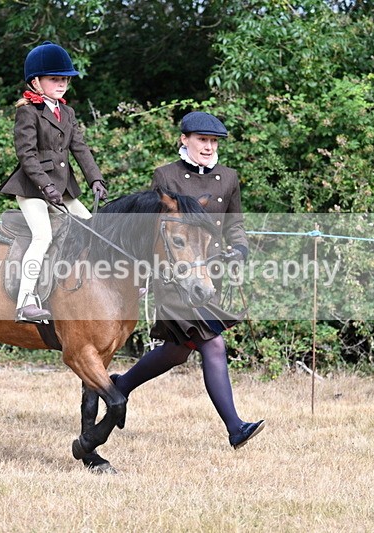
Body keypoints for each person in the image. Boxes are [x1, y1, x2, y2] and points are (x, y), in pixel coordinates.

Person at [112, 111, 265, 449]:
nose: (208, 147)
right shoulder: (165, 176)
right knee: (213, 343)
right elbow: (155, 230)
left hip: (209, 276)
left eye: (213, 141)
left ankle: (121, 385)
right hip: (174, 278)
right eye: (201, 140)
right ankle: (235, 428)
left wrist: (239, 249)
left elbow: (234, 224)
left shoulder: (228, 178)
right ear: (184, 140)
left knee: (178, 351)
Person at [0, 41, 108, 323]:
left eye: (64, 80)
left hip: (63, 188)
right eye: (55, 79)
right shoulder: (27, 112)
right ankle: (25, 301)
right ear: (36, 82)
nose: (61, 85)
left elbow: (80, 149)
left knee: (95, 229)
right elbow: (26, 154)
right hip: (32, 188)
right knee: (43, 236)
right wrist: (45, 186)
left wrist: (95, 179)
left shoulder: (67, 112)